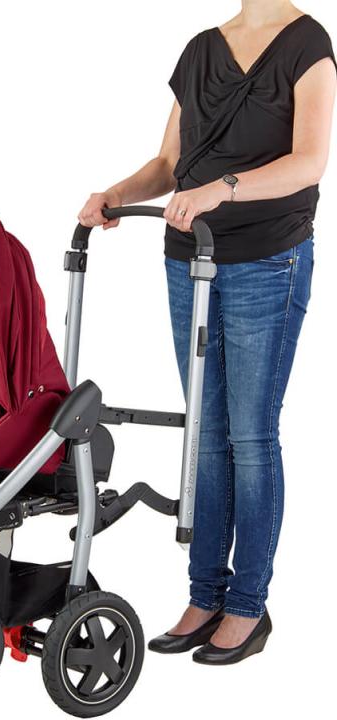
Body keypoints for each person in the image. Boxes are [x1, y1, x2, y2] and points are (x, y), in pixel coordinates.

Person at [78, 1, 336, 665]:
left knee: (250, 434)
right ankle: (204, 595)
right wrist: (114, 193)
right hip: (189, 259)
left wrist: (223, 187)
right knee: (206, 431)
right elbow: (169, 164)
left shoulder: (308, 45)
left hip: (268, 261)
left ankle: (248, 605)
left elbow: (309, 162)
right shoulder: (200, 48)